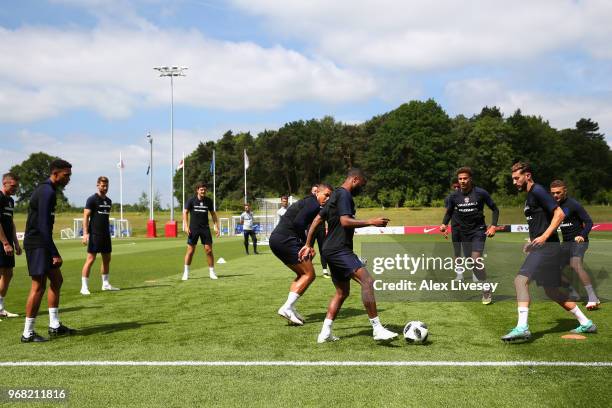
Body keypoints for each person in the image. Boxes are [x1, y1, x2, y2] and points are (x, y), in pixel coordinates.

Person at [299, 168, 398, 343]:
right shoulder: (344, 195)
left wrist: (308, 244)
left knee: (342, 292)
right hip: (339, 249)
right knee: (367, 281)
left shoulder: (335, 195)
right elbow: (345, 221)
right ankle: (377, 329)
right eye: (362, 184)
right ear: (355, 179)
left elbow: (316, 221)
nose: (362, 188)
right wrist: (371, 222)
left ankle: (325, 332)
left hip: (329, 250)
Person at [501, 162, 596, 342]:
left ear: (527, 175)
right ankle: (586, 322)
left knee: (520, 281)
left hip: (546, 248)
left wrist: (543, 238)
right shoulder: (530, 196)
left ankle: (522, 327)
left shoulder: (538, 191)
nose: (514, 182)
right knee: (551, 290)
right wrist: (532, 241)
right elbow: (541, 222)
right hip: (545, 247)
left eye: (516, 178)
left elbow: (559, 214)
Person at [22, 159, 75, 342]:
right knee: (38, 287)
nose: (68, 179)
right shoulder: (46, 191)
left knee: (57, 280)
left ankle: (54, 325)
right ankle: (27, 333)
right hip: (37, 243)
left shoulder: (50, 190)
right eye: (66, 175)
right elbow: (43, 226)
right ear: (55, 172)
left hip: (42, 241)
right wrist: (54, 252)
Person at [270, 184, 333, 325]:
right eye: (326, 195)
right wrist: (306, 244)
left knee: (301, 274)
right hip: (286, 240)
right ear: (317, 192)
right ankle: (286, 307)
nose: (327, 199)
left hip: (277, 240)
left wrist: (305, 244)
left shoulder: (308, 202)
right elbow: (299, 223)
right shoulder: (313, 204)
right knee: (309, 274)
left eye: (330, 196)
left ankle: (290, 307)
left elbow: (299, 222)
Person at [440, 167, 499, 304]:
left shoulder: (481, 193)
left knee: (475, 258)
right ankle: (486, 284)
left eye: (465, 178)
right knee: (470, 262)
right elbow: (449, 212)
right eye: (460, 179)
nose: (462, 181)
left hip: (478, 231)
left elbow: (495, 209)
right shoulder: (454, 196)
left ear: (470, 179)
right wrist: (444, 224)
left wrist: (493, 226)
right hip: (462, 233)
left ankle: (485, 290)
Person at [550, 180, 600, 310]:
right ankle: (574, 293)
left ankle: (593, 297)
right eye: (553, 193)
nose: (555, 195)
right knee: (554, 269)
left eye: (558, 192)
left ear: (565, 190)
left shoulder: (573, 204)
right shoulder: (553, 206)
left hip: (579, 241)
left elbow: (589, 222)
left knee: (575, 264)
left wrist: (582, 235)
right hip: (566, 243)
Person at [80, 176, 118, 295]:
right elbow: (85, 216)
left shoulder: (109, 201)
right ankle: (84, 287)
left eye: (106, 185)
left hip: (106, 235)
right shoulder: (92, 199)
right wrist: (86, 233)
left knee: (107, 259)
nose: (105, 188)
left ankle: (105, 284)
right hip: (95, 235)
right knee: (90, 259)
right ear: (97, 185)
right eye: (102, 185)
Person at [182, 182, 220, 281]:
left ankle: (212, 272)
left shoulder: (208, 201)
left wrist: (216, 226)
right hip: (193, 229)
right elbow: (185, 212)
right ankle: (186, 272)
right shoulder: (191, 200)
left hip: (205, 229)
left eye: (204, 189)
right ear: (197, 190)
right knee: (190, 251)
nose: (203, 191)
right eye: (201, 189)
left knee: (209, 250)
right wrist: (186, 226)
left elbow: (213, 214)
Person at [0, 173, 22, 320]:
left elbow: (11, 223)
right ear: (4, 183)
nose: (15, 188)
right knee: (3, 273)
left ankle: (1, 308)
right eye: (13, 186)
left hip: (8, 243)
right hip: (1, 243)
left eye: (16, 186)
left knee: (8, 274)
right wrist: (5, 243)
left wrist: (16, 242)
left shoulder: (11, 201)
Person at [442, 180, 461, 275]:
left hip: (469, 229)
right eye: (455, 187)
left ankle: (476, 274)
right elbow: (447, 214)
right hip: (455, 228)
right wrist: (445, 227)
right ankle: (459, 274)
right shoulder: (449, 198)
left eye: (458, 186)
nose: (457, 188)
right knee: (457, 252)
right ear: (452, 188)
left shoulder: (469, 197)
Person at [311, 184, 330, 278]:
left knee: (323, 249)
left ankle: (325, 271)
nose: (315, 192)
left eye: (317, 191)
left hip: (321, 229)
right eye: (314, 191)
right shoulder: (309, 204)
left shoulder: (324, 203)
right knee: (309, 249)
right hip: (310, 229)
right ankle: (307, 270)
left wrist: (327, 227)